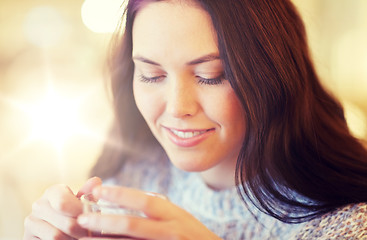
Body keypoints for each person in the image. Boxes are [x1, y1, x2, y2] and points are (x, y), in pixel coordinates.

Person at [23, 0, 367, 239]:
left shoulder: (346, 222)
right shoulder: (130, 179)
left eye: (211, 75)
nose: (177, 108)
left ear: (271, 75)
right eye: (151, 75)